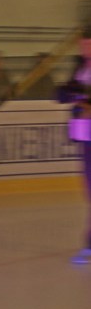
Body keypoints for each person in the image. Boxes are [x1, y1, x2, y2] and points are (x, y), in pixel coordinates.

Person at [57, 26, 91, 264]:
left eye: (88, 43)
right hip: (85, 134)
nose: (84, 47)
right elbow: (64, 95)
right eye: (82, 43)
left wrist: (84, 97)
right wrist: (67, 92)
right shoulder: (80, 68)